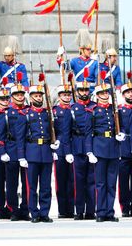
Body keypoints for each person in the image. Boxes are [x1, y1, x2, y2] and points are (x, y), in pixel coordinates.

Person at [16, 78, 59, 223]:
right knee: (32, 186)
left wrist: (54, 144)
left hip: (46, 152)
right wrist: (21, 156)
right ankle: (34, 213)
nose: (39, 98)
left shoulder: (48, 114)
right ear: (31, 97)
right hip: (32, 153)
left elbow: (54, 131)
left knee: (46, 186)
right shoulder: (25, 115)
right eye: (36, 96)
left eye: (40, 96)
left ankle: (44, 212)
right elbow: (20, 137)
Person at [85, 76, 123, 222]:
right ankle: (100, 212)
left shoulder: (114, 110)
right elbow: (88, 132)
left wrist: (121, 135)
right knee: (100, 183)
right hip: (99, 148)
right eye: (102, 94)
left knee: (111, 183)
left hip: (113, 148)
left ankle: (109, 211)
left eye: (107, 93)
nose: (105, 96)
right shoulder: (92, 111)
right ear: (97, 96)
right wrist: (89, 151)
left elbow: (121, 127)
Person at [0, 74, 31, 221]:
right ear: (12, 96)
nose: (20, 97)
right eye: (17, 94)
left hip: (27, 149)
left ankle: (25, 208)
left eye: (22, 94)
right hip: (11, 149)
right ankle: (13, 209)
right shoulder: (7, 114)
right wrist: (2, 151)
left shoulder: (29, 111)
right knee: (12, 182)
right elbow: (1, 136)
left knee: (27, 182)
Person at [71, 73, 97, 220]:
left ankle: (91, 210)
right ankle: (79, 210)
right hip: (77, 147)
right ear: (77, 92)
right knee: (78, 181)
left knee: (92, 181)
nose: (84, 93)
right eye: (82, 91)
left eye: (87, 90)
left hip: (92, 147)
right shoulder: (73, 108)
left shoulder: (95, 107)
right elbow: (67, 131)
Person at [118, 74, 132, 217]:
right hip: (123, 147)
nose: (131, 94)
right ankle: (125, 207)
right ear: (123, 94)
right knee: (124, 180)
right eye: (128, 92)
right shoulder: (120, 110)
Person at [53, 83, 74, 219]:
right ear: (59, 96)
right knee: (60, 180)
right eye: (64, 95)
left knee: (72, 181)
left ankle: (71, 208)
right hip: (59, 148)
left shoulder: (73, 109)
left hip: (73, 147)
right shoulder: (54, 111)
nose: (66, 97)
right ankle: (62, 209)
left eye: (68, 95)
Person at [0, 84, 12, 220]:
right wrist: (0, 150)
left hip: (11, 150)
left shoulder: (12, 113)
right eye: (2, 99)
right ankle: (0, 208)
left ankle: (10, 207)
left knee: (11, 182)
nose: (5, 101)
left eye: (7, 98)